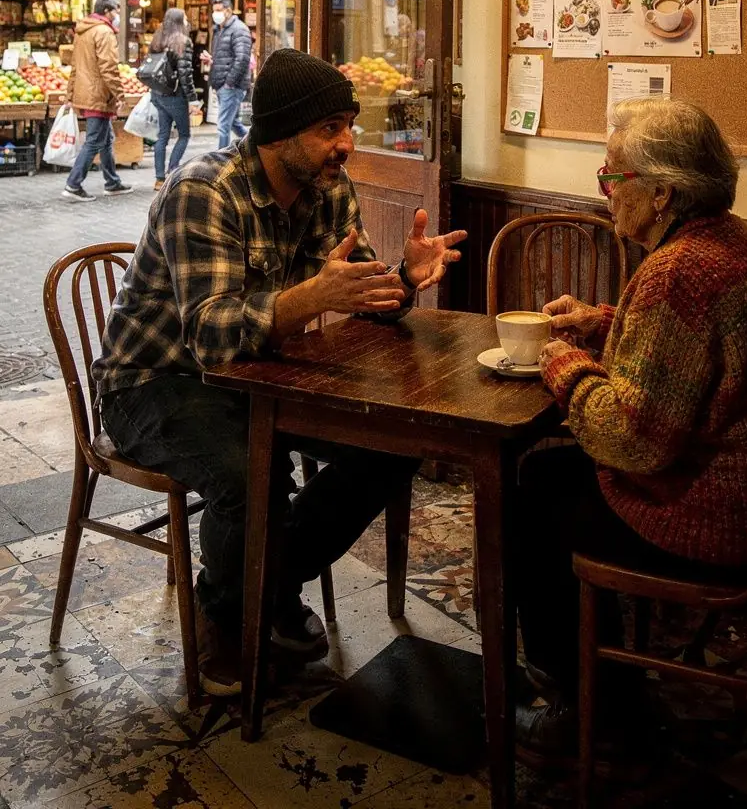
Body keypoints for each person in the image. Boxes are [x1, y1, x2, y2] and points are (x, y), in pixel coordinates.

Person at [92, 49, 467, 696]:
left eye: (349, 125)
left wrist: (403, 278)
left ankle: (268, 587)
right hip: (154, 383)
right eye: (329, 128)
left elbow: (361, 295)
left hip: (265, 374)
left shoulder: (327, 188)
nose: (346, 144)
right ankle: (228, 624)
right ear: (278, 132)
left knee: (392, 446)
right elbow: (210, 337)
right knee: (250, 472)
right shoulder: (203, 190)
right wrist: (311, 299)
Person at [515, 99, 747, 762]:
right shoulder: (733, 239)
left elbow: (632, 440)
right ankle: (596, 679)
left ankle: (589, 701)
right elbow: (691, 357)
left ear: (662, 192)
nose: (605, 191)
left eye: (613, 177)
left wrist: (565, 364)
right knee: (551, 478)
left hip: (717, 519)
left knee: (535, 487)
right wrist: (605, 323)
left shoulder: (678, 271)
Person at [63, 0, 133, 202]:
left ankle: (112, 182)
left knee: (106, 139)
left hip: (86, 92)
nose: (118, 16)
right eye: (116, 12)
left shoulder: (83, 31)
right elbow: (109, 67)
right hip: (98, 94)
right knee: (94, 140)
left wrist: (70, 94)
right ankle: (74, 184)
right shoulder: (104, 32)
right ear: (107, 11)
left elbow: (75, 66)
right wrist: (120, 95)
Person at [149, 8, 197, 191]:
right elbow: (186, 74)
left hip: (158, 94)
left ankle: (159, 178)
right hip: (175, 96)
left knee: (162, 136)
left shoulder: (157, 38)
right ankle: (172, 170)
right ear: (179, 21)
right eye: (184, 18)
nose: (186, 21)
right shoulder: (183, 42)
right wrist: (192, 99)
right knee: (184, 134)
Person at [207, 0, 252, 150]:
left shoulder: (239, 29)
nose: (216, 14)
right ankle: (254, 146)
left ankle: (220, 160)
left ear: (229, 11)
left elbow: (242, 58)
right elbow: (224, 56)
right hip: (222, 84)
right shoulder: (219, 30)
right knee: (233, 123)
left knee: (223, 126)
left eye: (219, 10)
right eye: (214, 11)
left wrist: (229, 83)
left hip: (232, 86)